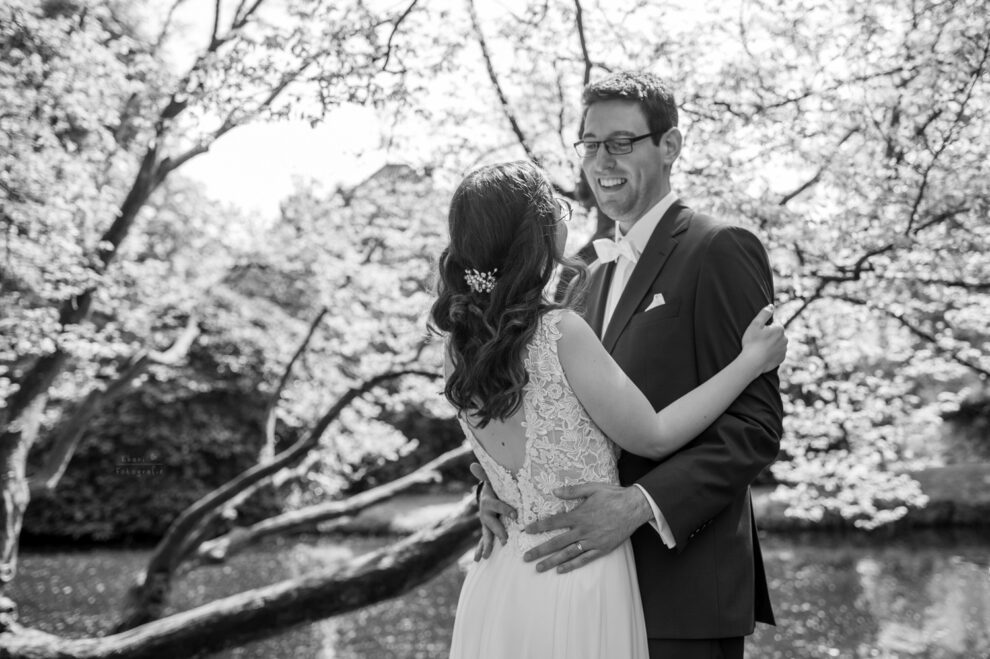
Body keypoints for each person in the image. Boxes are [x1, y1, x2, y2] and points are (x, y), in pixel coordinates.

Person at [475, 71, 784, 659]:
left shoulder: (720, 248)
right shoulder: (582, 279)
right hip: (575, 594)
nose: (601, 160)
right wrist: (493, 486)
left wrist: (639, 505)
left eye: (621, 142)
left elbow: (756, 428)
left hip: (682, 594)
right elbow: (545, 411)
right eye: (590, 143)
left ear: (670, 146)